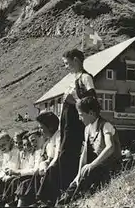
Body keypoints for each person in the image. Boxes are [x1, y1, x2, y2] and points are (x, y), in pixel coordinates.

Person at [35, 49, 95, 206]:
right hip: (66, 125)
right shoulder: (73, 78)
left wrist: (74, 98)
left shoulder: (85, 77)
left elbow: (91, 101)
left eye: (67, 63)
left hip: (75, 125)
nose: (66, 66)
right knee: (61, 158)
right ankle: (49, 197)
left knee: (67, 158)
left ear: (75, 60)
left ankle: (64, 194)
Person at [58, 96, 122, 205]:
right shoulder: (87, 129)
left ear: (91, 113)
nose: (79, 118)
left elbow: (110, 147)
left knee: (86, 179)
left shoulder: (106, 126)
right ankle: (63, 203)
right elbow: (84, 153)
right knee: (74, 183)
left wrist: (91, 165)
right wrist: (78, 175)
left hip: (110, 166)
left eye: (81, 115)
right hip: (97, 167)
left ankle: (72, 203)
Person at [16, 112, 60, 207]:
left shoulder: (58, 137)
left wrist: (46, 165)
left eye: (42, 127)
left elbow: (56, 157)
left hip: (54, 172)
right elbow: (49, 159)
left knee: (27, 183)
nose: (41, 130)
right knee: (25, 184)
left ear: (50, 127)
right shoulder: (50, 140)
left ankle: (40, 201)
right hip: (46, 171)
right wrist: (44, 164)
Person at [0, 132, 21, 208]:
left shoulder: (16, 151)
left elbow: (14, 168)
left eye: (3, 145)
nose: (1, 148)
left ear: (11, 141)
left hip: (16, 176)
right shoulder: (6, 153)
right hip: (10, 177)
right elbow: (3, 171)